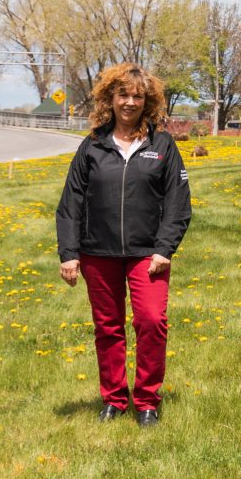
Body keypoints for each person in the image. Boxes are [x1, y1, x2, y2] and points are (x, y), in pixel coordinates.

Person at [55, 62, 192, 426]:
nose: (129, 102)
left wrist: (165, 248)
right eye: (123, 95)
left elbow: (179, 203)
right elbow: (71, 203)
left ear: (147, 101)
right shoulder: (93, 146)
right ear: (110, 98)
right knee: (108, 326)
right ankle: (114, 399)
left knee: (151, 321)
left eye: (137, 96)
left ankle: (147, 400)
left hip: (148, 253)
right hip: (97, 252)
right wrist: (69, 254)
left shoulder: (161, 145)